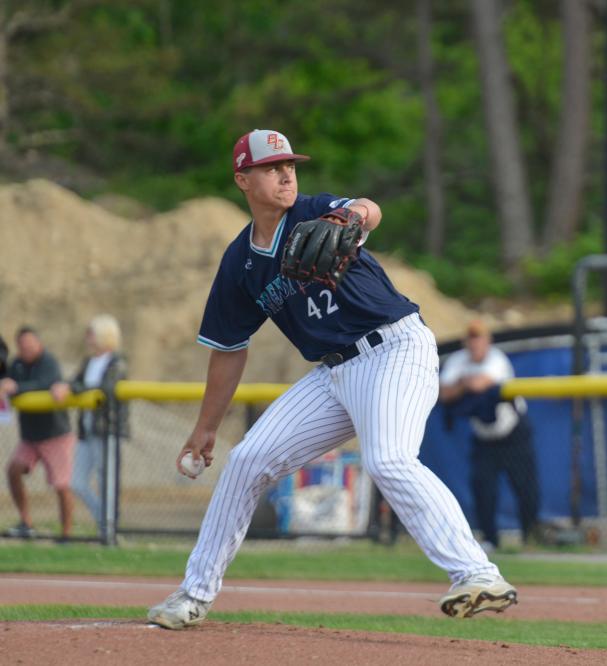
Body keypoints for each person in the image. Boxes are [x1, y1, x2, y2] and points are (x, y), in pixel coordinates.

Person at [147, 129, 516, 629]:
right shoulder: (240, 264)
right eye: (272, 167)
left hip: (394, 348)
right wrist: (206, 426)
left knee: (388, 459)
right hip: (333, 372)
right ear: (242, 179)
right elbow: (229, 350)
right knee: (246, 461)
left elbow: (369, 208)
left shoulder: (314, 212)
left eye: (290, 164)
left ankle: (477, 573)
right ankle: (193, 595)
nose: (286, 173)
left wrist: (353, 217)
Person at [439, 319, 540, 552]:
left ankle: (530, 536)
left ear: (487, 341)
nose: (475, 343)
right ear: (466, 341)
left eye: (479, 338)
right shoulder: (457, 360)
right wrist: (466, 383)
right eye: (471, 338)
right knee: (482, 488)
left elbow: (479, 384)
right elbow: (445, 394)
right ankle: (490, 539)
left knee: (526, 488)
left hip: (513, 433)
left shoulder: (497, 359)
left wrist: (462, 383)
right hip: (484, 437)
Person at [1, 327, 77, 540]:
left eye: (30, 345)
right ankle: (26, 522)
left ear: (39, 344)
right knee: (13, 470)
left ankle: (67, 534)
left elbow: (45, 384)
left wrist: (16, 387)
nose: (26, 349)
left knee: (61, 485)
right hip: (30, 437)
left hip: (55, 435)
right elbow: (8, 381)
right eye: (22, 346)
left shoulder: (49, 362)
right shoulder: (16, 364)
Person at [55, 315, 128, 534]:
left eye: (92, 333)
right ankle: (105, 521)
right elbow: (75, 381)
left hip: (107, 430)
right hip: (87, 430)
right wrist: (65, 386)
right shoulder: (89, 362)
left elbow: (104, 389)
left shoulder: (117, 362)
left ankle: (109, 529)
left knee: (107, 480)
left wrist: (76, 388)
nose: (88, 338)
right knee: (77, 481)